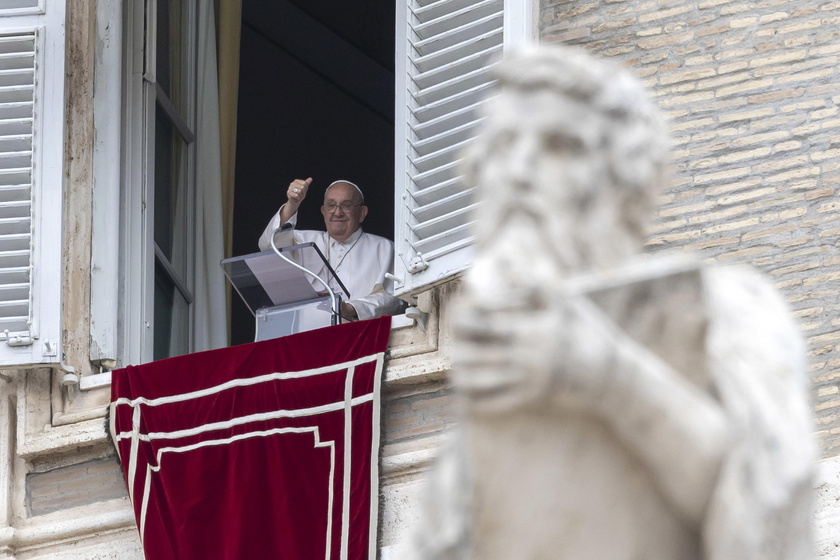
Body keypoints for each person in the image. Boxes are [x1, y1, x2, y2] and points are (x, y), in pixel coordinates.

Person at [408, 46, 814, 560]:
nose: (521, 171)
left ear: (626, 180)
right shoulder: (478, 430)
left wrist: (610, 377)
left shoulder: (728, 308)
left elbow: (768, 507)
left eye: (559, 145)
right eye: (505, 144)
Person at [258, 178, 406, 320]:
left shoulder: (384, 248)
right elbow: (269, 248)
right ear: (323, 211)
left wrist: (350, 308)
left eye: (346, 205)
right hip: (309, 334)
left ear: (362, 213)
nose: (337, 212)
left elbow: (397, 299)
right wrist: (292, 204)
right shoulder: (304, 241)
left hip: (360, 336)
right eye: (331, 205)